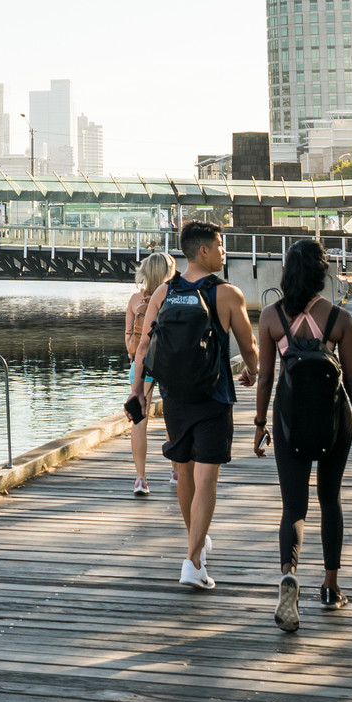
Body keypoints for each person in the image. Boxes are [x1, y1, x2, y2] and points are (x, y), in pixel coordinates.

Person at [253, 239, 352, 631]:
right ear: (322, 273)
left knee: (294, 507)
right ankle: (330, 588)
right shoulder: (339, 319)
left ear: (288, 274)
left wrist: (259, 425)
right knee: (330, 500)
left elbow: (265, 378)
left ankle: (289, 573)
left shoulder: (271, 317)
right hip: (334, 422)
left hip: (289, 422)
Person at [127, 220, 261, 589]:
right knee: (206, 479)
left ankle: (196, 547)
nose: (224, 251)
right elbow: (249, 348)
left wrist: (138, 390)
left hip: (174, 398)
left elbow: (143, 348)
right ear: (203, 250)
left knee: (184, 471)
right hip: (213, 397)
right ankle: (192, 560)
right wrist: (254, 372)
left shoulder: (163, 293)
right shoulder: (227, 294)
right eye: (220, 245)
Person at [123, 250, 174, 496]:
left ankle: (141, 478)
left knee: (139, 421)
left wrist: (134, 358)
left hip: (141, 363)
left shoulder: (134, 299)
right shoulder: (173, 296)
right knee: (173, 415)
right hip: (168, 362)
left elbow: (129, 338)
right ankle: (176, 469)